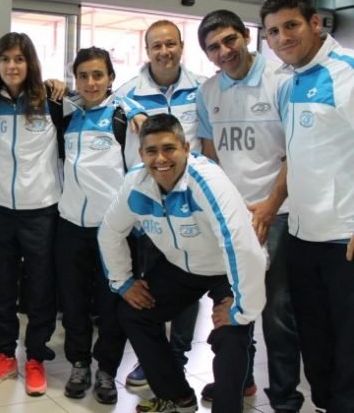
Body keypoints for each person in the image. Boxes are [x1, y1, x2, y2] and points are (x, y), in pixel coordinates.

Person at [98, 114, 266, 413]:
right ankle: (177, 397)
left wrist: (242, 308)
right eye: (151, 151)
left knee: (232, 331)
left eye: (169, 148)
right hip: (182, 267)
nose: (161, 158)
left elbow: (242, 246)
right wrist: (122, 282)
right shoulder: (136, 183)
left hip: (225, 267)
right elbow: (110, 231)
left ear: (186, 148)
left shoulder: (207, 181)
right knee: (134, 312)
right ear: (141, 154)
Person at [195, 9, 303, 411]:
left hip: (279, 213)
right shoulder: (208, 92)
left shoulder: (281, 81)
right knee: (234, 305)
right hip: (233, 216)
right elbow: (209, 154)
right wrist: (227, 210)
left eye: (229, 40)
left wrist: (270, 207)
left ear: (246, 37)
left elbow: (297, 151)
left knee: (276, 311)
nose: (224, 52)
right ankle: (240, 383)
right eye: (213, 48)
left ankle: (286, 399)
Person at [261, 0, 354, 411]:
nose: (282, 38)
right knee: (314, 340)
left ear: (316, 23)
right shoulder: (289, 80)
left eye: (291, 26)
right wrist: (271, 203)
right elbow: (296, 157)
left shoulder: (347, 73)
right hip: (301, 234)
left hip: (344, 240)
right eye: (273, 31)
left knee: (348, 345)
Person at [114, 20, 206, 387]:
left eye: (171, 44)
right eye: (157, 46)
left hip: (193, 210)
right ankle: (150, 359)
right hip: (149, 211)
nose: (164, 51)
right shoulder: (126, 93)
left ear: (181, 46)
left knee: (188, 287)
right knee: (151, 288)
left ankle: (178, 357)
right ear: (147, 50)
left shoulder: (202, 89)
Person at [0, 32, 62, 396]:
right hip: (0, 210)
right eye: (5, 59)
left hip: (41, 209)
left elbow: (101, 101)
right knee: (1, 287)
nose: (12, 65)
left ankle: (36, 357)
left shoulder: (53, 102)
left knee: (40, 288)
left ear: (30, 64)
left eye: (19, 59)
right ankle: (5, 354)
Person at [56, 47, 146, 403]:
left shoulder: (124, 116)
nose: (91, 82)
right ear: (75, 79)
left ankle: (107, 369)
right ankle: (79, 362)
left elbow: (138, 174)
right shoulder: (67, 114)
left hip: (114, 231)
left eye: (98, 75)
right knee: (74, 302)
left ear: (110, 78)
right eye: (83, 76)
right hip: (70, 226)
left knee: (112, 306)